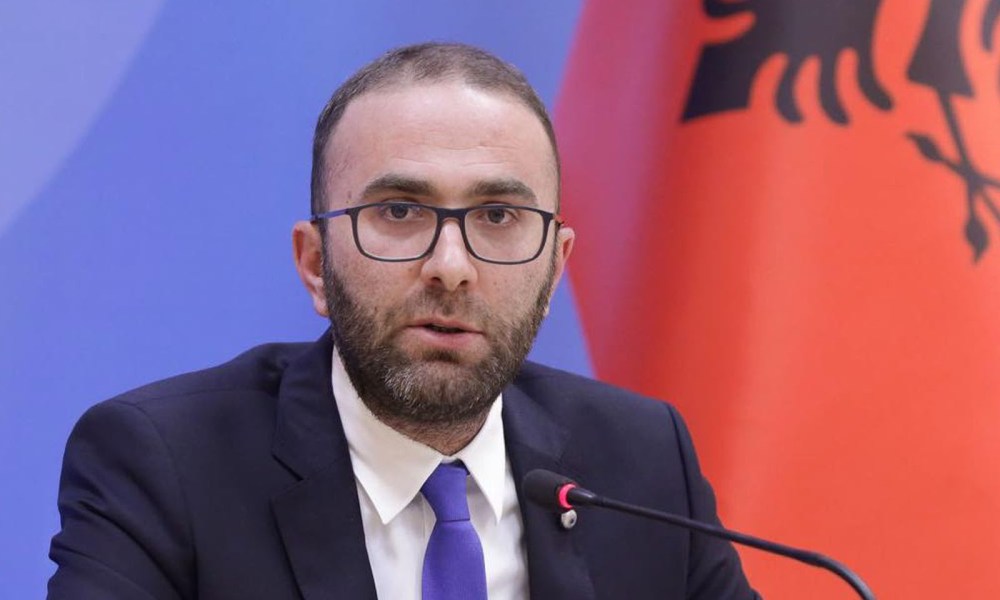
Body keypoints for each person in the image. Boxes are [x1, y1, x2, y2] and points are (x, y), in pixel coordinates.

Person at [48, 42, 758, 599]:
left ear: (554, 268)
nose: (451, 266)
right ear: (315, 264)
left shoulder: (641, 461)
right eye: (398, 211)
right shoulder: (166, 465)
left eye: (498, 216)